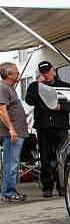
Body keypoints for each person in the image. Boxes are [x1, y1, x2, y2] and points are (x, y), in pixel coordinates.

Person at [25, 61, 70, 198]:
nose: (46, 75)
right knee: (45, 158)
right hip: (43, 126)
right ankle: (47, 187)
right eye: (43, 73)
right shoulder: (35, 86)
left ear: (53, 71)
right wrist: (38, 85)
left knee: (62, 157)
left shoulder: (64, 86)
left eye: (47, 72)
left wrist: (62, 107)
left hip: (60, 125)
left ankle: (62, 186)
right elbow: (30, 100)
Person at [0, 62, 28, 202]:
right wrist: (11, 129)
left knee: (13, 163)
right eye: (16, 72)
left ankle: (10, 191)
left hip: (18, 131)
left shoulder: (9, 87)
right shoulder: (3, 87)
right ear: (9, 75)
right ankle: (8, 192)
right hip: (12, 133)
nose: (19, 74)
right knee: (11, 163)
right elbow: (2, 110)